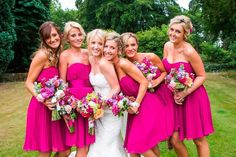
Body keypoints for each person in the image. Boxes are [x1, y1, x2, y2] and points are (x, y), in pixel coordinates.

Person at [104, 32, 167, 157]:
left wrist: (136, 104)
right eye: (106, 47)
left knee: (138, 145)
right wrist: (127, 98)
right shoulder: (114, 66)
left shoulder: (123, 63)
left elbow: (143, 82)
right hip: (136, 107)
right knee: (137, 149)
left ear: (118, 49)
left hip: (146, 105)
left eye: (112, 48)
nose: (108, 50)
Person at [162, 15, 214, 157]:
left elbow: (202, 75)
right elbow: (167, 72)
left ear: (185, 34)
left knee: (198, 139)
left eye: (178, 31)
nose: (173, 33)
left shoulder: (189, 51)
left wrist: (185, 92)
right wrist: (173, 90)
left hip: (193, 97)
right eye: (171, 29)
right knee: (175, 138)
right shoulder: (167, 46)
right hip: (175, 98)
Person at [23, 21, 69, 157]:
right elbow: (29, 83)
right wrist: (42, 99)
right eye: (48, 37)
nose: (52, 39)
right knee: (45, 151)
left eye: (54, 35)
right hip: (41, 108)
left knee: (65, 151)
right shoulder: (42, 56)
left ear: (60, 35)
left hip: (56, 109)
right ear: (44, 40)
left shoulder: (58, 55)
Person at [120, 32, 174, 140]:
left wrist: (157, 80)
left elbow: (165, 72)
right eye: (126, 46)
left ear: (137, 45)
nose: (130, 48)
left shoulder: (151, 57)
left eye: (133, 45)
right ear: (122, 48)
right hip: (146, 98)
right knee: (150, 134)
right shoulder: (124, 64)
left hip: (162, 93)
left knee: (169, 132)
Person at [86, 29, 128, 157]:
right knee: (99, 143)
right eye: (93, 43)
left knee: (108, 144)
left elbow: (116, 88)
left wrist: (101, 104)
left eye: (100, 43)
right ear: (88, 43)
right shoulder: (91, 59)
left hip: (110, 110)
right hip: (98, 112)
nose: (96, 47)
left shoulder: (105, 63)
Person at [59, 21, 94, 157]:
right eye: (73, 35)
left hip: (91, 100)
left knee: (90, 143)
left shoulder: (89, 53)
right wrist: (67, 106)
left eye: (80, 34)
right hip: (75, 102)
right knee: (82, 144)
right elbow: (62, 83)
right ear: (67, 38)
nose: (78, 38)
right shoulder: (65, 56)